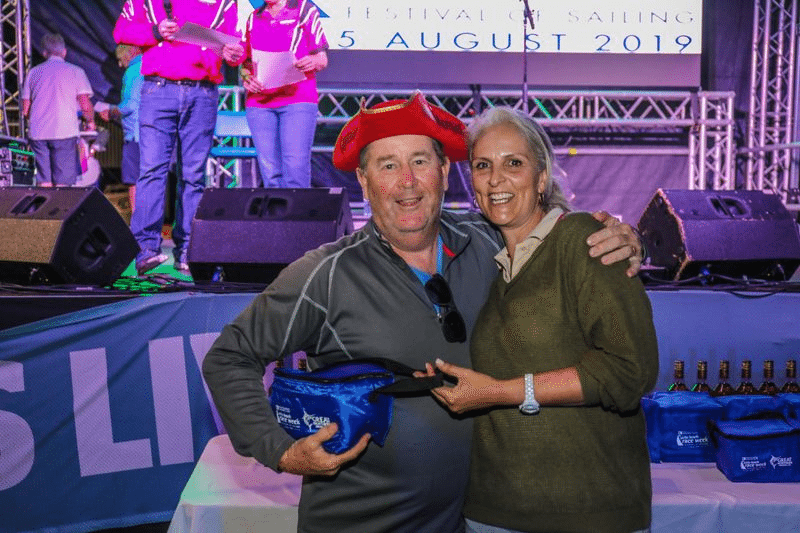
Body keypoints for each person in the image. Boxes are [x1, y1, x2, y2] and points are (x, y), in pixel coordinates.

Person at [202, 92, 645, 533]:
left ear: (445, 171)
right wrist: (280, 450)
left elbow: (548, 229)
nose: (407, 181)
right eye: (388, 166)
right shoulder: (326, 274)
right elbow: (229, 356)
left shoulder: (488, 241)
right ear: (364, 181)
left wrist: (618, 236)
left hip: (466, 522)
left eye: (419, 161)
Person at [423, 107, 659, 533]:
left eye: (513, 163)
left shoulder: (584, 241)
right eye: (482, 166)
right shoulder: (484, 258)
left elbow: (630, 371)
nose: (496, 180)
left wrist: (500, 392)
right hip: (491, 512)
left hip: (587, 513)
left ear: (542, 177)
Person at [113, 0, 244, 275]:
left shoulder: (223, 2)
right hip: (158, 89)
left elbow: (234, 46)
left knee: (193, 175)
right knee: (151, 170)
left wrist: (234, 54)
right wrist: (155, 30)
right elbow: (121, 31)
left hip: (202, 91)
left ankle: (188, 249)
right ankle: (146, 249)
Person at [240, 0, 328, 188]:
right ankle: (275, 208)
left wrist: (312, 61)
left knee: (295, 169)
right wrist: (246, 77)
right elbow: (246, 63)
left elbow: (322, 59)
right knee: (270, 174)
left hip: (297, 99)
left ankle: (297, 208)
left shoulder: (304, 9)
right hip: (260, 104)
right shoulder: (253, 18)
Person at [21, 33, 95, 187]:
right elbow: (85, 104)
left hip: (38, 133)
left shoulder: (33, 72)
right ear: (64, 52)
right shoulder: (76, 71)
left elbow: (25, 109)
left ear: (44, 53)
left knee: (43, 181)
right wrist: (90, 122)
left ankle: (44, 202)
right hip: (64, 132)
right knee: (63, 184)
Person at [99, 44, 144, 212]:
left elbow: (130, 105)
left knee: (134, 181)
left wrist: (111, 112)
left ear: (129, 53)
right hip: (151, 133)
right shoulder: (149, 66)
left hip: (135, 136)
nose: (120, 64)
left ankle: (138, 224)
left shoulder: (132, 71)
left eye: (120, 59)